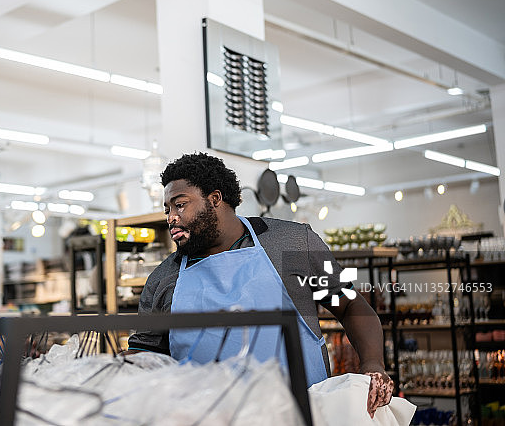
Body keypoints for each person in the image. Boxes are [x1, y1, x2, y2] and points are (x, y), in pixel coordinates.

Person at [127, 152, 393, 418]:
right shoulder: (162, 280)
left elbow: (349, 305)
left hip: (303, 415)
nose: (171, 218)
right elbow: (146, 354)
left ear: (215, 198)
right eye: (167, 210)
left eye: (180, 205)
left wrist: (373, 364)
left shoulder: (292, 245)